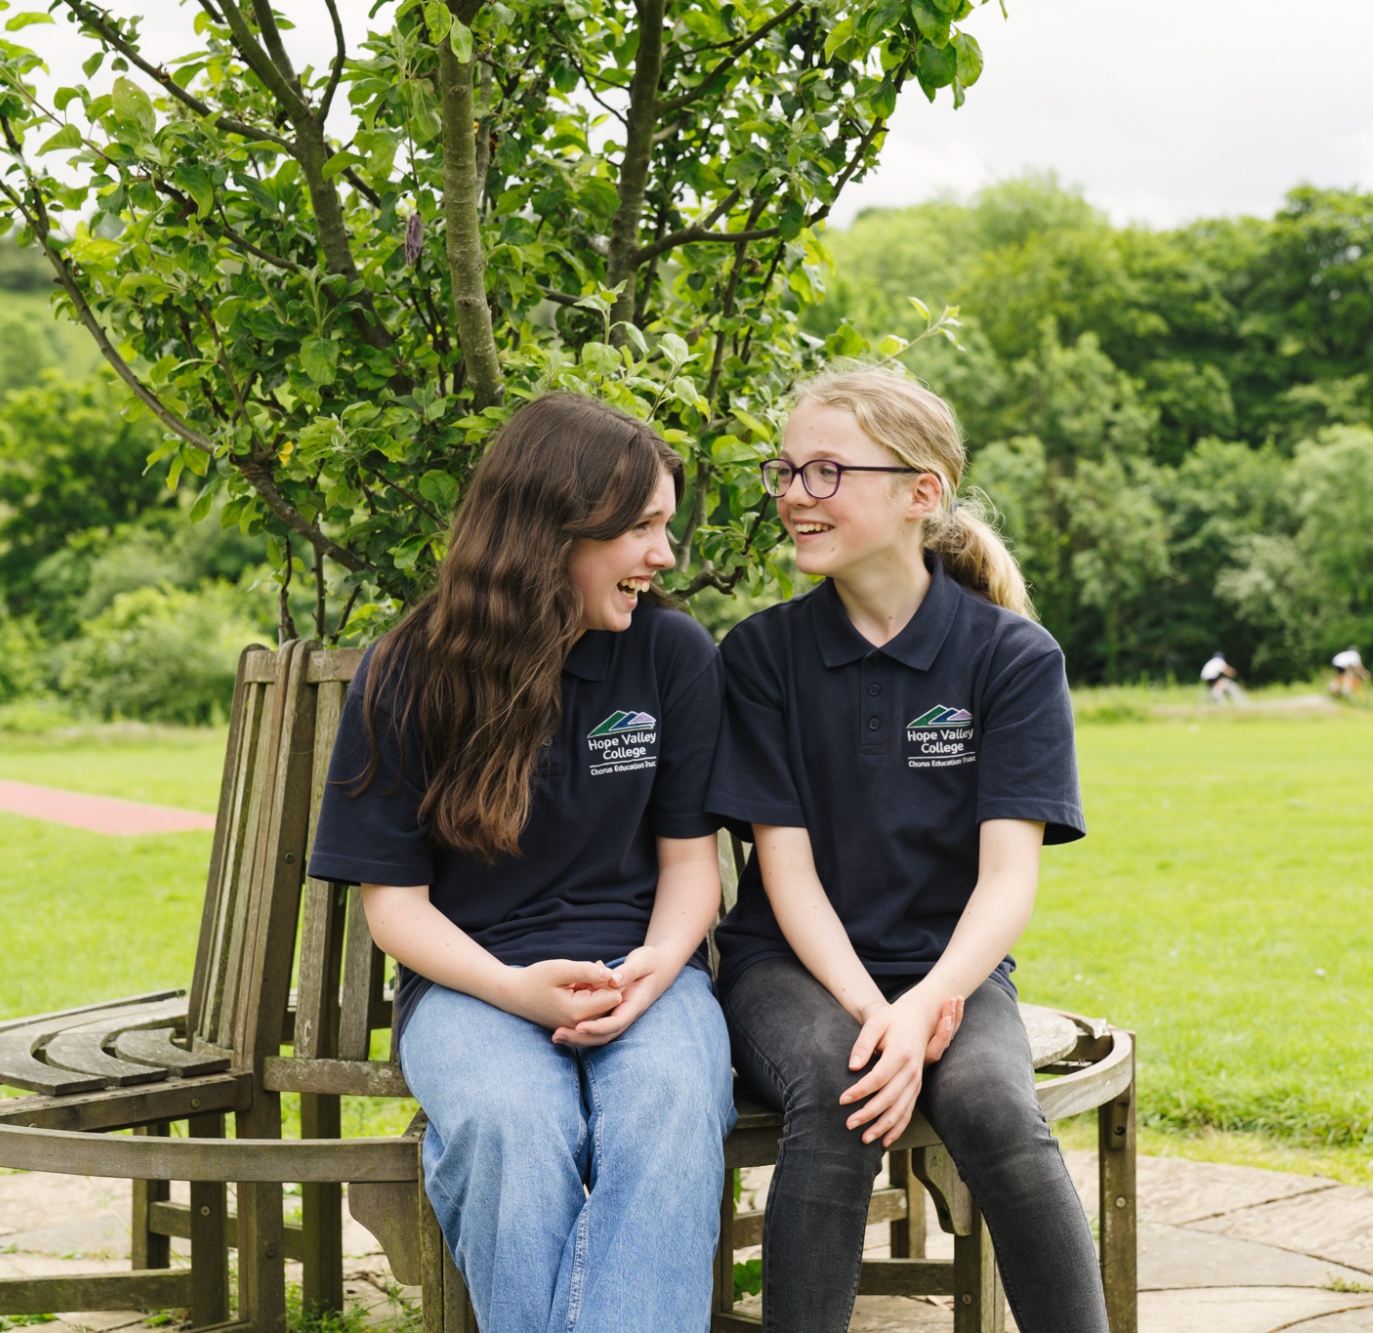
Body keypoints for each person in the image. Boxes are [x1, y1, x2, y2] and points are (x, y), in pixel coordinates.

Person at [305, 394, 734, 1333]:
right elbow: (397, 908)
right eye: (643, 528)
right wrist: (515, 988)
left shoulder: (672, 654)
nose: (665, 555)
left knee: (667, 1107)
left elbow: (692, 865)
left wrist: (657, 966)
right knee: (510, 1123)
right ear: (555, 528)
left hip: (649, 974)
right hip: (470, 984)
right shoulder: (411, 669)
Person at [707, 367, 1108, 1333]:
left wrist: (927, 1000)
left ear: (919, 493)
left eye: (827, 471)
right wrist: (871, 1010)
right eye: (787, 471)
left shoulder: (1013, 658)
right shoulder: (760, 657)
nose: (795, 495)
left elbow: (1009, 877)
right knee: (847, 1086)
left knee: (997, 1111)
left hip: (953, 975)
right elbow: (785, 872)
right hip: (791, 969)